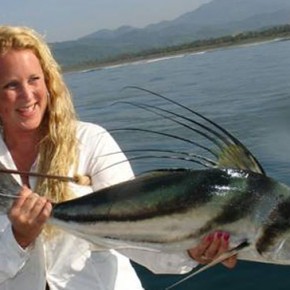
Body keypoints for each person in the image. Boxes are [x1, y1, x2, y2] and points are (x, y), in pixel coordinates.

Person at [0, 25, 236, 290]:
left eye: (34, 79)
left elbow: (136, 233)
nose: (27, 94)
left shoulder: (90, 142)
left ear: (48, 81)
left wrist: (189, 252)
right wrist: (17, 240)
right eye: (11, 84)